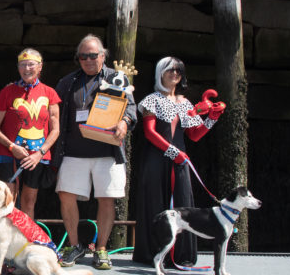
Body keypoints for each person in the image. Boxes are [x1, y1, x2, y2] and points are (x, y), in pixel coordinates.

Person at [53, 34, 137, 270]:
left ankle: (101, 249)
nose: (88, 60)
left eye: (93, 55)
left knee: (107, 199)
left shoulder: (117, 77)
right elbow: (52, 112)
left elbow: (131, 107)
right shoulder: (67, 81)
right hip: (73, 152)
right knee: (66, 195)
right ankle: (74, 245)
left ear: (103, 55)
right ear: (78, 59)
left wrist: (124, 123)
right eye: (83, 56)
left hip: (107, 152)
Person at [133, 57, 224, 266]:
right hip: (156, 158)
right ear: (160, 73)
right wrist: (172, 151)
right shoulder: (152, 99)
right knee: (154, 202)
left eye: (178, 71)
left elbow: (194, 135)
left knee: (184, 204)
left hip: (180, 158)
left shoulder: (186, 103)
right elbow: (149, 132)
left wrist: (212, 119)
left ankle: (183, 254)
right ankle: (151, 254)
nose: (175, 73)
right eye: (170, 70)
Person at [0, 48, 61, 219]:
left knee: (29, 201)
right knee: (7, 200)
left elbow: (55, 129)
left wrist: (40, 153)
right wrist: (12, 146)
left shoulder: (49, 93)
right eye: (22, 65)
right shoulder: (7, 92)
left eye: (31, 64)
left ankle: (26, 243)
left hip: (36, 156)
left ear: (40, 66)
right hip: (9, 153)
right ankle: (5, 243)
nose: (26, 68)